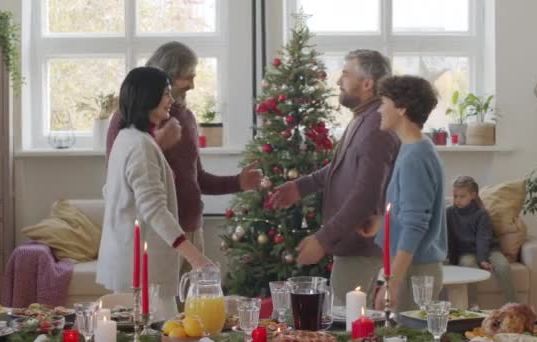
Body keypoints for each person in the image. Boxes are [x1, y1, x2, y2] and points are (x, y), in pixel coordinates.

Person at [271, 50, 400, 305]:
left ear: (367, 83)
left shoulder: (375, 126)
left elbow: (366, 195)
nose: (338, 81)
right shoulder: (363, 119)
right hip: (352, 247)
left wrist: (322, 238)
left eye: (345, 74)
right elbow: (341, 168)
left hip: (362, 250)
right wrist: (302, 186)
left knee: (351, 325)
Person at [107, 41, 262, 252]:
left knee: (193, 286)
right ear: (167, 77)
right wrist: (159, 142)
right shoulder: (125, 118)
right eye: (187, 77)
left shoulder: (187, 118)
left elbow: (197, 179)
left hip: (191, 229)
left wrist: (238, 182)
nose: (192, 85)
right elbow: (118, 178)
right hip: (153, 233)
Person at [97, 67, 210, 319]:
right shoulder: (139, 145)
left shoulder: (127, 139)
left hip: (134, 266)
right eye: (165, 93)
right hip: (144, 275)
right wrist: (195, 257)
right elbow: (155, 208)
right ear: (147, 97)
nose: (171, 99)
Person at [369, 75, 447, 311]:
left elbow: (415, 224)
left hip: (414, 271)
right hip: (410, 266)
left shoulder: (415, 156)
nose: (379, 110)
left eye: (384, 102)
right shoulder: (414, 148)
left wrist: (392, 282)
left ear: (402, 108)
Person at [447, 175, 518, 308]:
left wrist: (482, 259)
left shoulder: (482, 214)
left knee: (503, 267)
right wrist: (451, 260)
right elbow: (449, 238)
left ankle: (513, 306)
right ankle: (472, 306)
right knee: (467, 265)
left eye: (462, 196)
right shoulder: (449, 213)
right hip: (466, 252)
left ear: (473, 195)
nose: (458, 200)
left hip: (489, 249)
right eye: (455, 196)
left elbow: (483, 238)